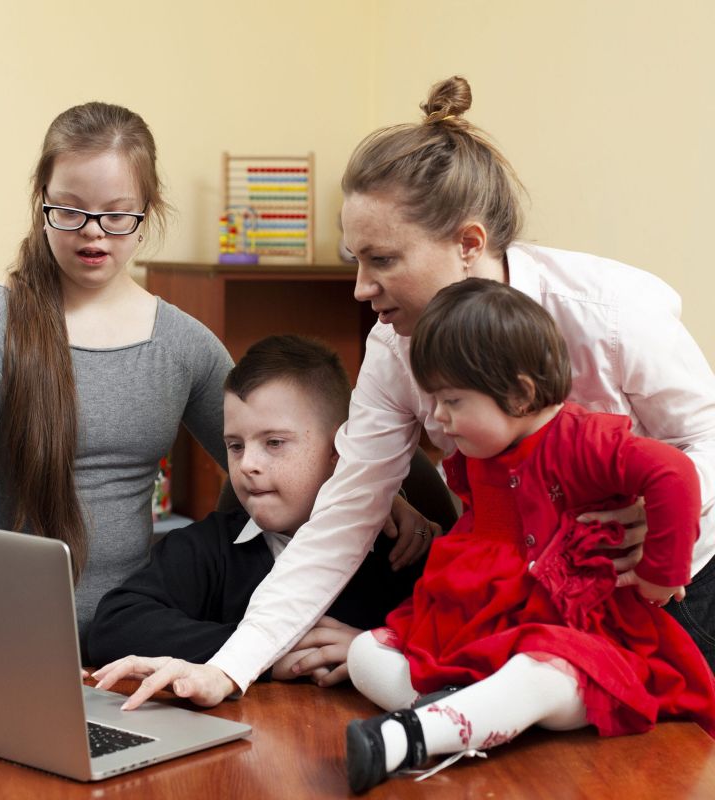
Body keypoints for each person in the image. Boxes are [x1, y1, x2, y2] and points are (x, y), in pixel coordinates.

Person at [92, 75, 715, 709]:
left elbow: (706, 436)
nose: (360, 288)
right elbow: (342, 517)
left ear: (468, 244)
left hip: (672, 582)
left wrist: (665, 517)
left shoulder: (609, 312)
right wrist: (229, 668)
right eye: (353, 260)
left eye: (382, 260)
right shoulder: (393, 350)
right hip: (533, 602)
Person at [343, 278, 715, 792]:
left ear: (518, 394)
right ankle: (477, 713)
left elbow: (674, 473)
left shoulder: (580, 441)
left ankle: (418, 734)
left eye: (452, 401)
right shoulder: (479, 457)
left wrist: (660, 572)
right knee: (364, 653)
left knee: (544, 676)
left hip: (577, 640)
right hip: (482, 629)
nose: (439, 418)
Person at [0, 102, 233, 649]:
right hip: (6, 640)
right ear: (42, 205)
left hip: (129, 642)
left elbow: (265, 467)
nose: (94, 234)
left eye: (117, 215)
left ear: (147, 211)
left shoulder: (185, 346)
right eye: (70, 210)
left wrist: (205, 554)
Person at [87, 335, 429, 685]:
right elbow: (114, 626)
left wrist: (373, 651)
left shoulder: (402, 554)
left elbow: (461, 650)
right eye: (235, 446)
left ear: (340, 449)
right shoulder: (210, 546)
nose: (247, 463)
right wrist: (262, 653)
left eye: (274, 443)